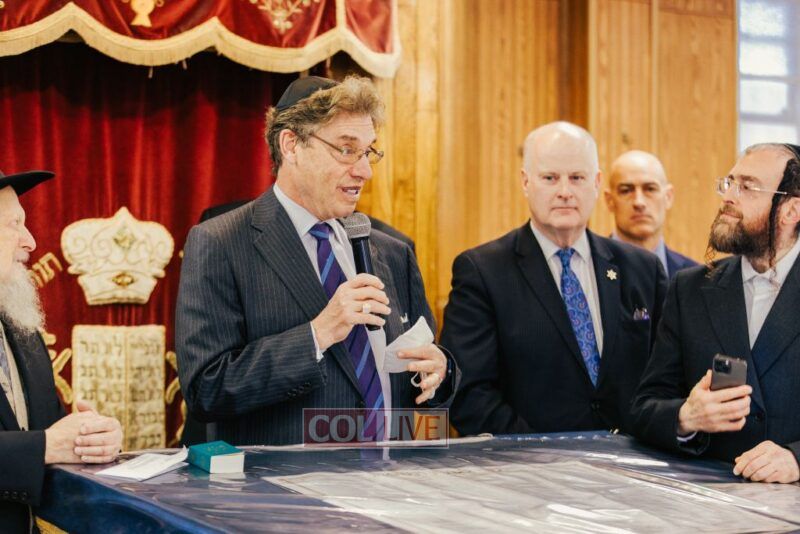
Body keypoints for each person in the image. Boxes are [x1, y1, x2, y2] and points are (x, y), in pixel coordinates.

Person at [175, 76, 459, 446]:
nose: (365, 171)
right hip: (287, 479)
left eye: (368, 152)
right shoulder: (221, 242)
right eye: (346, 150)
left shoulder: (393, 251)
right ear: (291, 145)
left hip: (391, 474)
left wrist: (440, 372)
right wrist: (318, 333)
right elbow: (206, 390)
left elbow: (420, 385)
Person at [441, 122, 667, 436]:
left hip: (634, 458)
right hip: (528, 461)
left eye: (577, 178)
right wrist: (536, 451)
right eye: (550, 178)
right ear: (526, 182)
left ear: (596, 183)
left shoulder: (643, 269)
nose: (564, 192)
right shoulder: (482, 271)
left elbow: (665, 376)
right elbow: (468, 391)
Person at [631, 143, 800, 484]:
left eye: (748, 187)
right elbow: (644, 408)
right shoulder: (690, 289)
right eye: (729, 183)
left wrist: (797, 458)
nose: (728, 197)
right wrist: (686, 417)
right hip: (709, 501)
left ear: (791, 210)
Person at [0, 170, 123, 533]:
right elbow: (44, 443)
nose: (31, 241)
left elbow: (49, 429)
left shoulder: (22, 330)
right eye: (15, 224)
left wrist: (90, 438)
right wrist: (46, 446)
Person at [604, 150, 697, 279]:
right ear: (610, 201)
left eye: (650, 189)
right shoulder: (590, 270)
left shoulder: (694, 278)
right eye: (626, 191)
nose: (639, 202)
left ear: (668, 197)